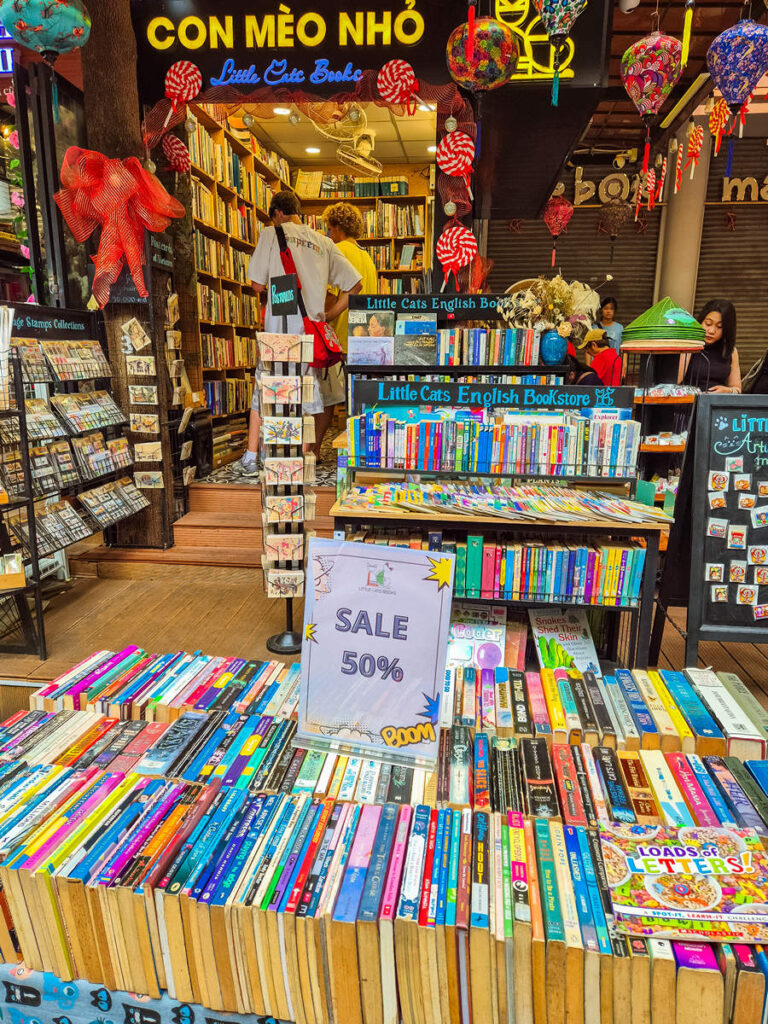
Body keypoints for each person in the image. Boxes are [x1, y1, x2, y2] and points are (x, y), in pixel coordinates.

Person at [240, 191, 362, 473]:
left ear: (277, 214)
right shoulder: (324, 242)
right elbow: (355, 284)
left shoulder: (271, 234)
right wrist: (329, 315)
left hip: (280, 331)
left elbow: (257, 284)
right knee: (307, 397)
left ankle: (251, 455)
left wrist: (277, 285)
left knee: (267, 391)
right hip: (310, 333)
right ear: (298, 212)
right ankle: (298, 460)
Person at [322, 202, 378, 351]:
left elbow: (330, 297)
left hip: (339, 341)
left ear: (337, 228)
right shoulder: (367, 257)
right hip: (364, 342)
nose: (329, 235)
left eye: (329, 229)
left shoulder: (337, 251)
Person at [679, 299, 741, 394]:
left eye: (719, 327)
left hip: (716, 405)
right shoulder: (688, 343)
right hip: (687, 404)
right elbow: (675, 382)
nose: (711, 331)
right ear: (700, 321)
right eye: (708, 323)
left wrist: (728, 391)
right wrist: (689, 343)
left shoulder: (730, 350)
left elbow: (737, 389)